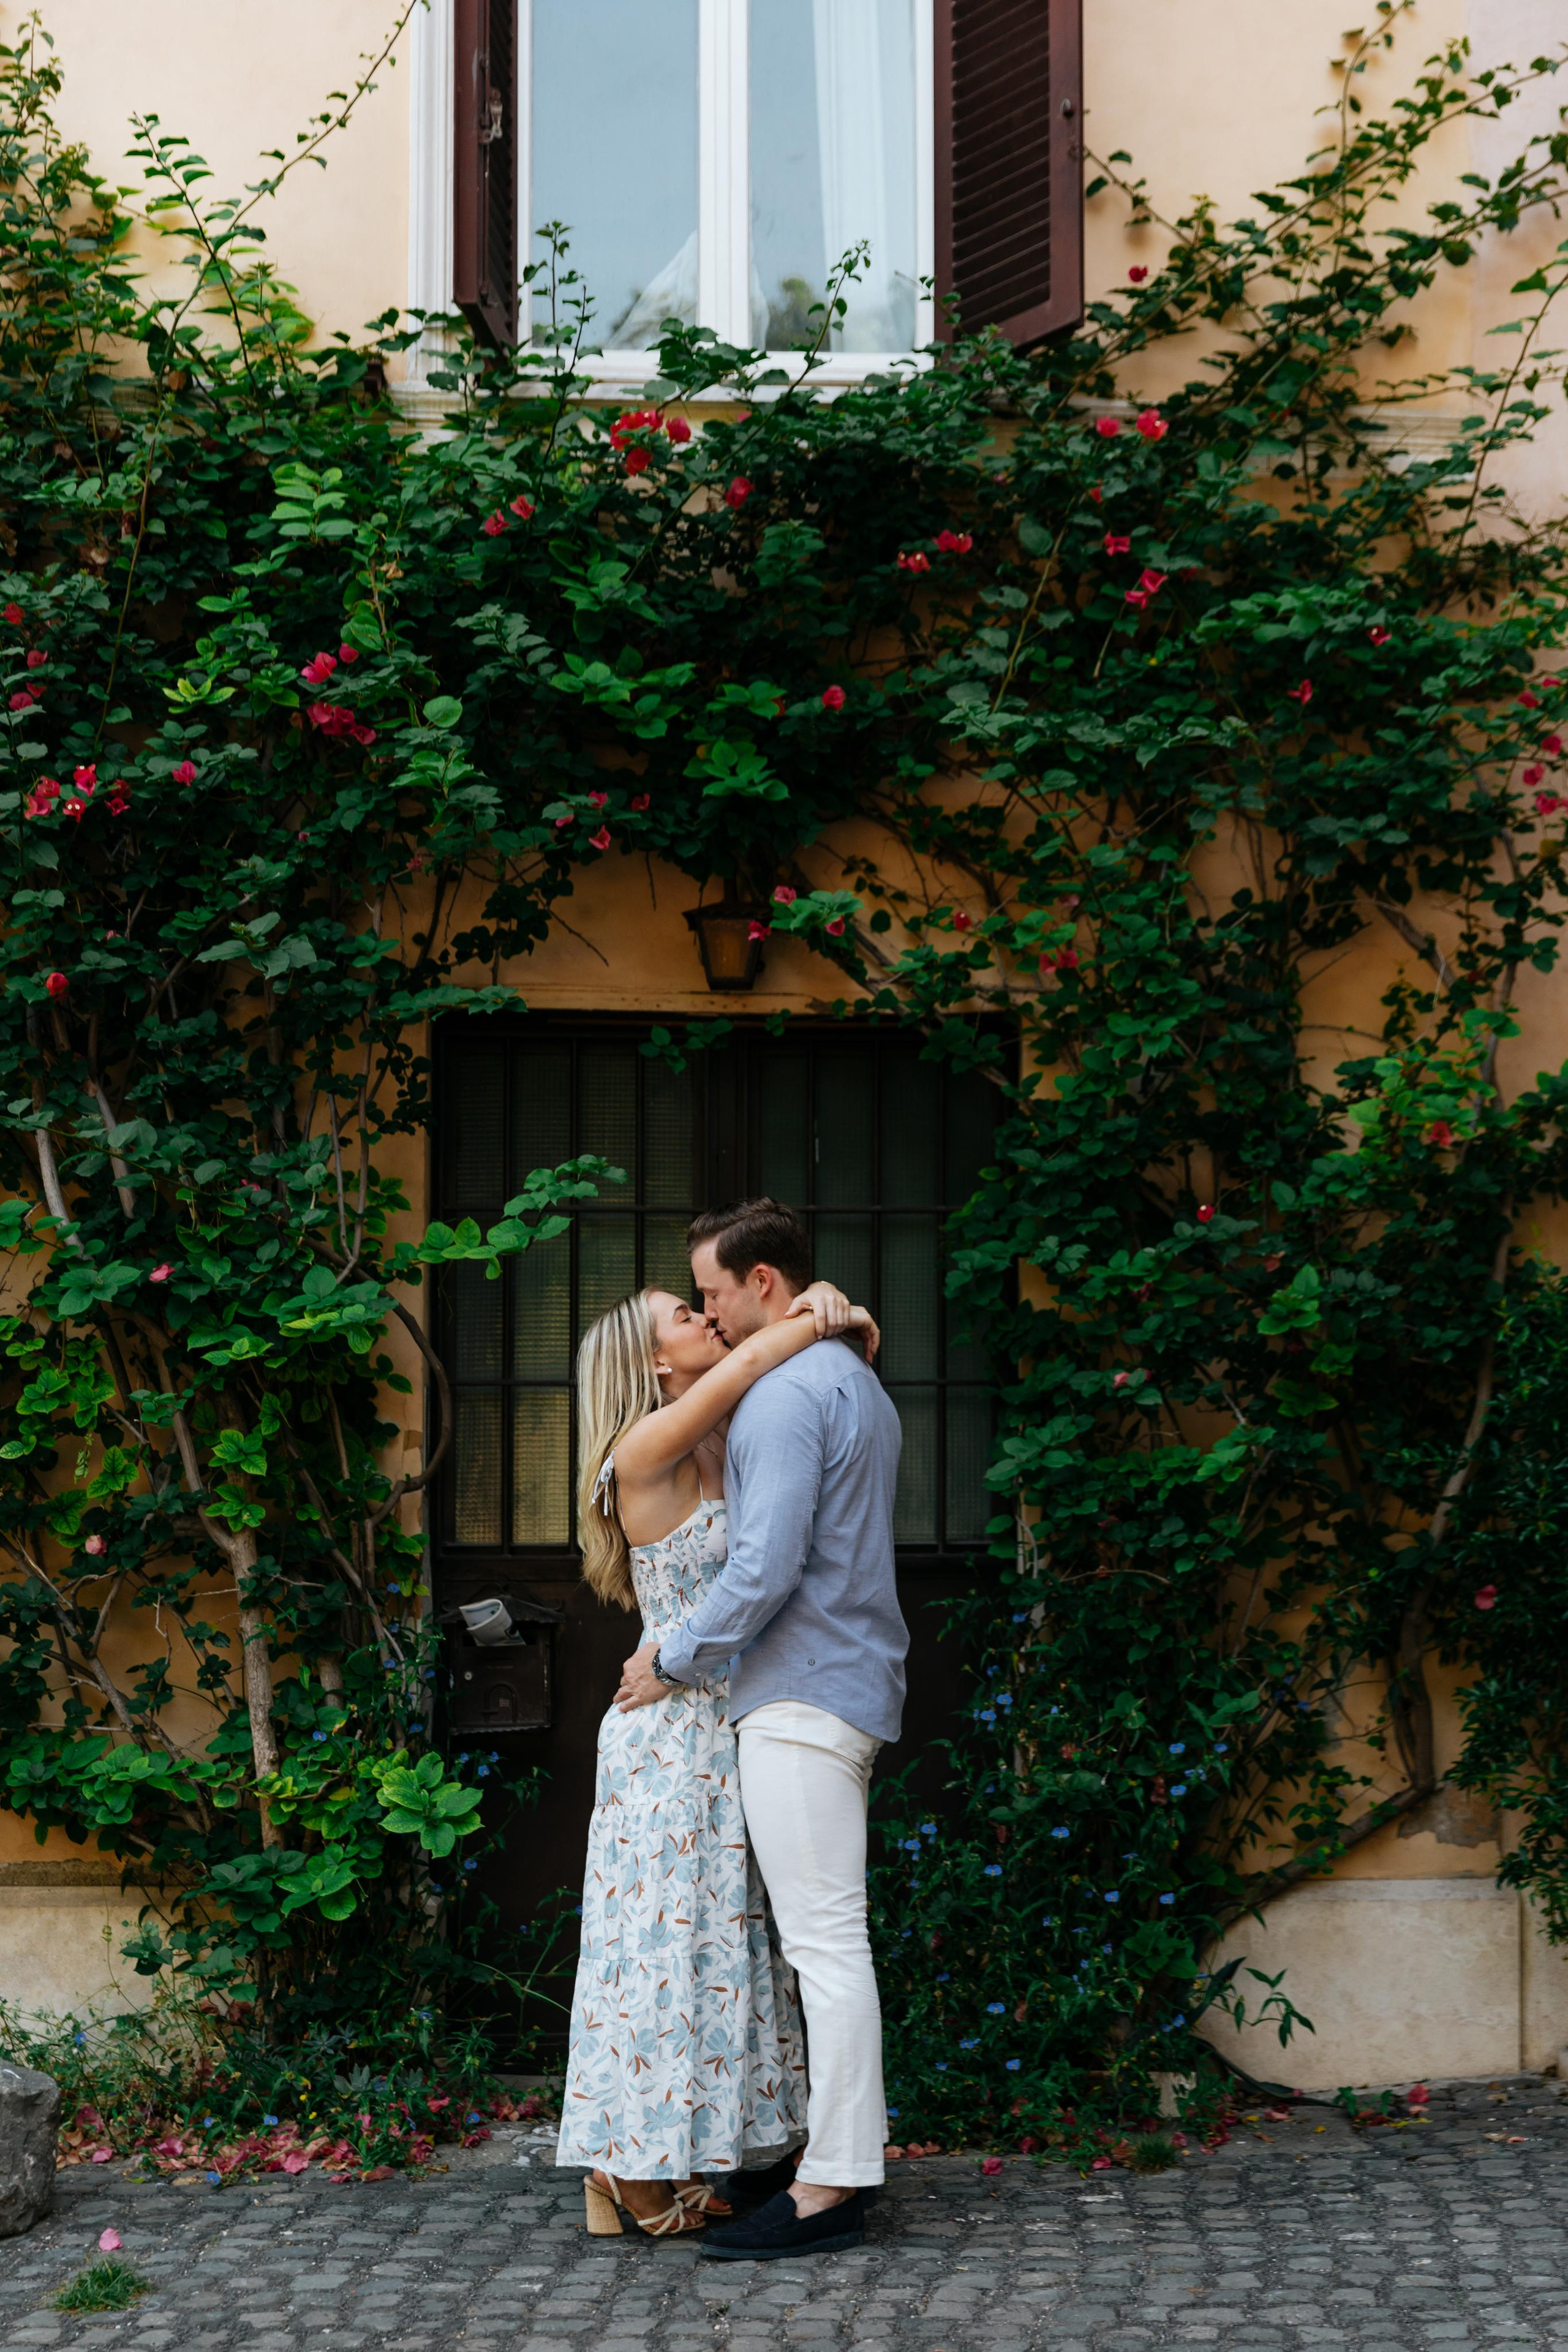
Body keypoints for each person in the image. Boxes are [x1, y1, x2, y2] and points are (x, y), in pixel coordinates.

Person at [556, 1270, 881, 2242]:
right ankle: (624, 2169)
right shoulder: (642, 1444)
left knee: (717, 1949)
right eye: (681, 1316)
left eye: (701, 1303)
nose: (704, 1319)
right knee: (653, 1949)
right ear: (654, 1362)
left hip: (729, 1720)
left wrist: (841, 1313)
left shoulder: (721, 1436)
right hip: (666, 1733)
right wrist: (819, 1311)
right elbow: (755, 1356)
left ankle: (686, 2155)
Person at [616, 1198, 908, 2262]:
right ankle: (821, 2159)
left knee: (826, 1946)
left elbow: (764, 1567)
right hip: (841, 1685)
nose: (710, 1310)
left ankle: (833, 2184)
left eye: (714, 1294)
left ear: (765, 1287)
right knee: (820, 1945)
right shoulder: (854, 1378)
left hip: (800, 1695)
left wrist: (672, 1655)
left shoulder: (789, 1397)